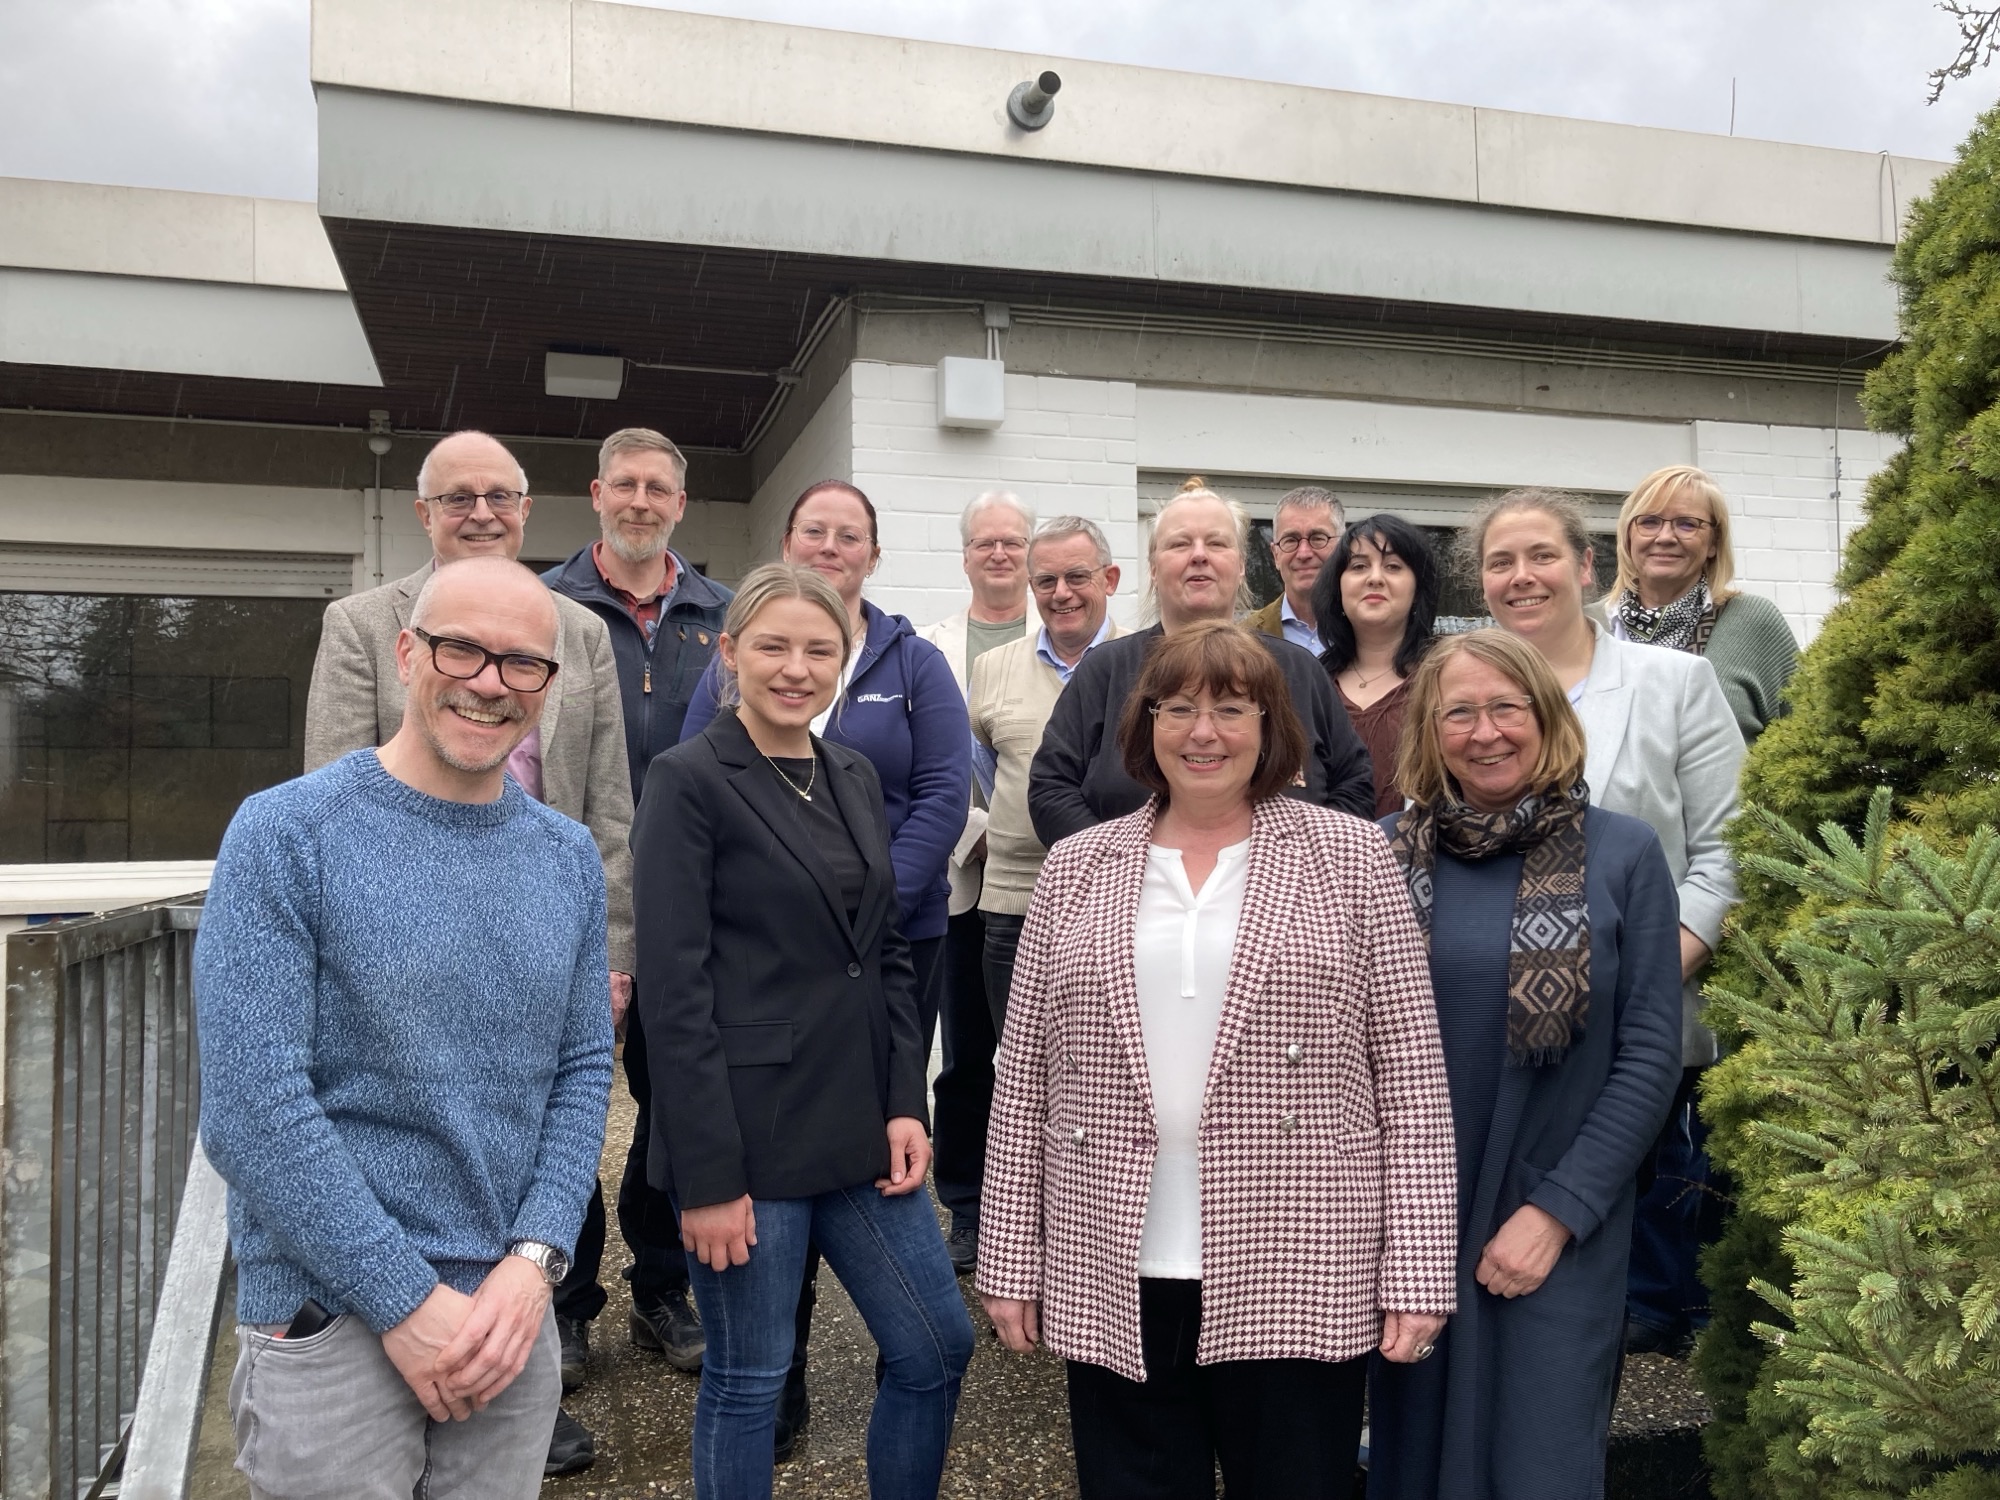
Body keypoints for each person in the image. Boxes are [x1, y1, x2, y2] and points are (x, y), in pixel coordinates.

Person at [980, 621, 1457, 1500]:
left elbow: (1414, 1083)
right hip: (1111, 1254)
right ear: (1145, 726)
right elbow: (1024, 1081)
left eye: (1233, 709)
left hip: (1299, 1254)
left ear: (1273, 728)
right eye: (1181, 709)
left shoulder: (1351, 857)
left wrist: (1418, 1269)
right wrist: (1012, 1259)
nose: (1205, 732)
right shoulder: (1079, 865)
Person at [198, 557, 614, 1500]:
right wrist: (404, 1299)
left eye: (522, 664)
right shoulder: (285, 834)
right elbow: (250, 1107)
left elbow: (585, 1065)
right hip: (332, 1315)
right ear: (403, 653)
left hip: (509, 1318)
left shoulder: (568, 857)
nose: (488, 683)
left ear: (548, 686)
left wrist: (536, 1263)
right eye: (461, 648)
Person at [303, 429, 633, 1473]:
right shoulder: (363, 623)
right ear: (423, 513)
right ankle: (412, 1332)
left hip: (545, 922)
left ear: (530, 509)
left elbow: (610, 804)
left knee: (549, 1134)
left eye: (500, 495)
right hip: (398, 948)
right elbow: (329, 782)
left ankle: (533, 1335)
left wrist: (608, 940)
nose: (480, 512)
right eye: (457, 498)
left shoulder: (577, 633)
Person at [633, 563, 974, 1500]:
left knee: (935, 1346)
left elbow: (890, 953)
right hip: (749, 1141)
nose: (797, 668)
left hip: (860, 1128)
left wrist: (907, 1101)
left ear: (845, 658)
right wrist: (705, 1178)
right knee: (748, 1381)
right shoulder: (690, 780)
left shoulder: (853, 775)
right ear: (730, 654)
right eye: (773, 647)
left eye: (820, 649)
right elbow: (674, 990)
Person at [1367, 629, 1683, 1499]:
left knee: (1540, 1460)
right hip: (1412, 1215)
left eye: (1507, 707)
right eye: (1458, 712)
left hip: (1557, 1210)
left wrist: (1558, 1211)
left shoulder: (1622, 855)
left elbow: (1650, 1053)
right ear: (1428, 733)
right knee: (1415, 1462)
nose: (1485, 731)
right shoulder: (1382, 853)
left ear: (1547, 717)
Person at [1469, 487, 1746, 1361]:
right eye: (1501, 561)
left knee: (1613, 1267)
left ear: (1587, 567)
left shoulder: (1676, 684)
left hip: (1644, 1020)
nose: (1524, 577)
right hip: (1495, 1030)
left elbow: (1730, 852)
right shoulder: (1460, 695)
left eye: (1542, 556)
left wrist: (1652, 980)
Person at [544, 427, 732, 1377]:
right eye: (625, 484)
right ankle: (567, 1298)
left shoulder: (722, 615)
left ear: (679, 505)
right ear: (596, 494)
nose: (641, 501)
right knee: (564, 1105)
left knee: (675, 1100)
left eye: (660, 486)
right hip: (565, 893)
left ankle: (662, 1283)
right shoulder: (545, 608)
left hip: (688, 901)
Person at [951, 515, 1126, 1276]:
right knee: (1014, 1077)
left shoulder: (1143, 663)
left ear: (1110, 581)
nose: (1061, 593)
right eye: (1046, 580)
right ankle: (1015, 1241)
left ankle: (1092, 1237)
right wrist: (1005, 834)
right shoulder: (994, 669)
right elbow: (980, 767)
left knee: (1105, 1077)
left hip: (1124, 904)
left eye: (1077, 577)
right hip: (1016, 902)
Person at [1029, 481, 1376, 844]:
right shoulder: (1104, 670)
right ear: (1152, 567)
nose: (1199, 555)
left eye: (1216, 543)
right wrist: (1121, 867)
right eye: (1180, 543)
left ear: (1241, 565)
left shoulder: (1298, 670)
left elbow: (1353, 783)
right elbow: (1051, 789)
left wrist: (1297, 868)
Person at [919, 491, 1034, 1275]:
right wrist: (975, 835)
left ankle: (1047, 1207)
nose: (999, 554)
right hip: (966, 878)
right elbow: (929, 762)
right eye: (984, 542)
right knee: (967, 1053)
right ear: (965, 555)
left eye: (1013, 543)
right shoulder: (933, 647)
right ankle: (968, 1203)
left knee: (1052, 1056)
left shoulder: (1077, 639)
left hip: (1048, 879)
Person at [1604, 464, 1800, 742]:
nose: (1665, 537)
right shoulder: (1589, 628)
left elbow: (1809, 742)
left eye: (1687, 524)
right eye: (1649, 522)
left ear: (1713, 543)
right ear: (1628, 536)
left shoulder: (1753, 622)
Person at [1310, 514, 1442, 816]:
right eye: (1358, 566)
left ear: (1417, 589)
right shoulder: (1310, 683)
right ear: (1338, 586)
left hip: (1419, 858)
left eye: (1393, 566)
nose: (1375, 577)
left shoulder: (1444, 679)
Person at [1244, 484, 1345, 652]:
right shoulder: (1246, 638)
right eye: (1290, 540)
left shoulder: (1368, 631)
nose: (1303, 553)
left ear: (1342, 547)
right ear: (1275, 554)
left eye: (1318, 538)